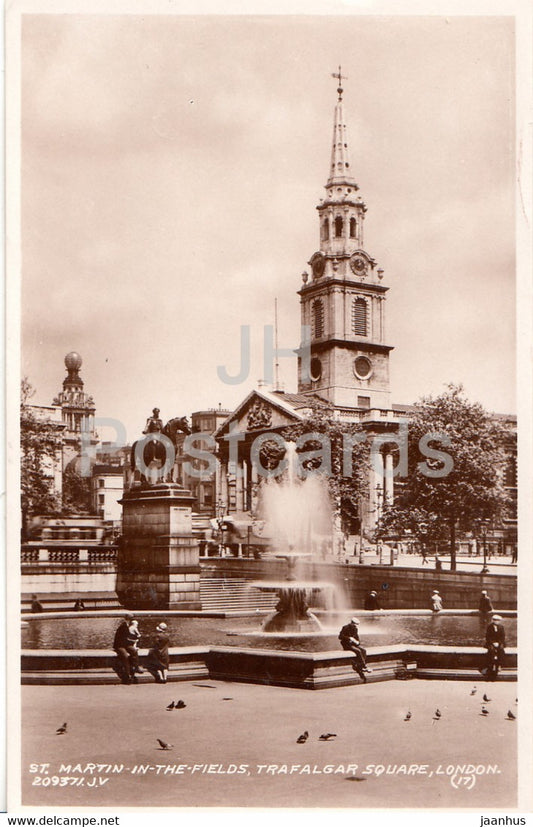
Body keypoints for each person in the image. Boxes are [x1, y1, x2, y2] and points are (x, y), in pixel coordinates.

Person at [338, 617, 372, 682]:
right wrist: (349, 638)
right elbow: (340, 637)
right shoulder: (345, 627)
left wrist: (358, 642)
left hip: (353, 644)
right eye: (355, 624)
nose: (355, 626)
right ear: (351, 623)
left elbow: (356, 637)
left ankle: (360, 665)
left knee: (363, 650)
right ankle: (364, 666)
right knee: (358, 651)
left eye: (356, 625)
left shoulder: (355, 629)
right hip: (346, 644)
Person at [113, 613, 142, 684]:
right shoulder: (123, 626)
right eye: (131, 619)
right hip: (119, 645)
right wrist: (133, 641)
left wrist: (132, 641)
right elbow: (122, 639)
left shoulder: (128, 626)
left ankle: (136, 667)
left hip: (125, 644)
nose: (132, 620)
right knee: (125, 656)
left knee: (134, 651)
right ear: (128, 619)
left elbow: (127, 638)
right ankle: (127, 674)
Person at [484, 614, 506, 679]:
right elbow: (488, 637)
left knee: (501, 650)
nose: (496, 621)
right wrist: (493, 643)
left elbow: (503, 636)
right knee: (491, 650)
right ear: (493, 620)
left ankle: (499, 665)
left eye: (498, 620)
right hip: (491, 642)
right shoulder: (489, 627)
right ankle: (491, 665)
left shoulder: (501, 627)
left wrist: (499, 643)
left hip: (499, 642)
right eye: (495, 620)